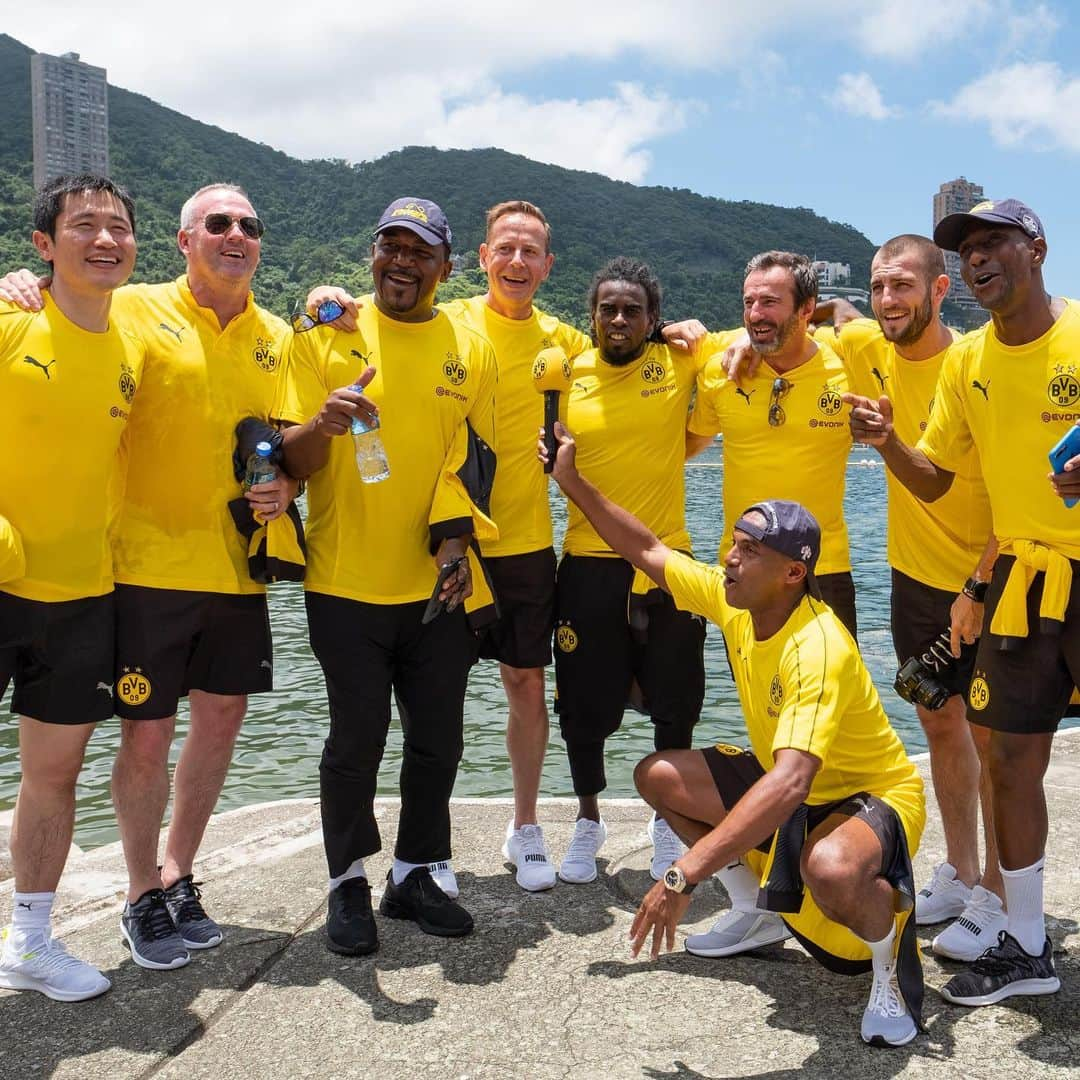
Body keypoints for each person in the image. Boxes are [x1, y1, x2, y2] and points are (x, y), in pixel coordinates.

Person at [303, 203, 705, 893]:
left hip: (523, 543)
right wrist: (321, 300)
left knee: (524, 682)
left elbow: (627, 353)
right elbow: (372, 316)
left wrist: (673, 331)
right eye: (507, 250)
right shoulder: (447, 319)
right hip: (434, 542)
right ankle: (424, 854)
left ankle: (525, 830)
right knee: (437, 699)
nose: (518, 263)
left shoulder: (569, 344)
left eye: (533, 253)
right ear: (482, 258)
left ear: (548, 267)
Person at [542, 426, 926, 1047]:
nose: (730, 558)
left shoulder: (818, 645)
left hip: (869, 796)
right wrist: (571, 483)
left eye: (748, 550)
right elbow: (646, 550)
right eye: (733, 544)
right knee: (659, 777)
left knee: (828, 870)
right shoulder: (737, 602)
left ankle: (889, 970)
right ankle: (755, 914)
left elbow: (792, 781)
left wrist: (683, 875)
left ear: (793, 573)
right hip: (795, 787)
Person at [0, 182, 296, 971]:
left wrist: (290, 484)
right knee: (148, 733)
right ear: (183, 238)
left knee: (223, 718)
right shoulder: (126, 305)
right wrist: (14, 286)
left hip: (235, 568)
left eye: (249, 223)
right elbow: (62, 323)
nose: (237, 234)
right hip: (138, 566)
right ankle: (138, 895)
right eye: (219, 223)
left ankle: (177, 876)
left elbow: (288, 437)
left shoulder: (277, 334)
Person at [845, 198, 1079, 1006]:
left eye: (994, 244)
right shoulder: (966, 361)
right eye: (968, 249)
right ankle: (1026, 943)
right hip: (1018, 582)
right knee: (1010, 762)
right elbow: (937, 475)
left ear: (1038, 249)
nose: (980, 259)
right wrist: (886, 444)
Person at [278, 197, 498, 955]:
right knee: (356, 741)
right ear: (372, 255)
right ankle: (346, 883)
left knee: (437, 742)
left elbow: (471, 459)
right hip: (343, 584)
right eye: (390, 248)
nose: (402, 262)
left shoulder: (470, 346)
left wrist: (453, 544)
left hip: (436, 586)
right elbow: (290, 462)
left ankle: (413, 874)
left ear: (446, 264)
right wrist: (322, 425)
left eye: (420, 251)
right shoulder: (323, 333)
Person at [805, 237, 1003, 961]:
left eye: (904, 287)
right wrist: (700, 335)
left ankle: (1000, 903)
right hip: (913, 575)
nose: (889, 301)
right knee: (940, 725)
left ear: (941, 290)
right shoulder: (868, 344)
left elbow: (1017, 492)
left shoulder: (976, 362)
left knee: (991, 738)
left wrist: (980, 584)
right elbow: (829, 307)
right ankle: (962, 871)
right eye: (880, 287)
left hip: (990, 571)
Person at [0, 174, 144, 1001]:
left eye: (118, 226)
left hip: (84, 594)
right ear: (43, 246)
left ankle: (28, 939)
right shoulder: (13, 317)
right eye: (82, 224)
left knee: (52, 776)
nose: (103, 238)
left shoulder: (131, 346)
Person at [552, 257, 714, 886]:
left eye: (633, 310)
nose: (619, 319)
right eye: (608, 309)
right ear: (592, 316)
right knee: (582, 708)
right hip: (588, 566)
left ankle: (668, 823)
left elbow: (726, 355)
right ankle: (588, 820)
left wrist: (692, 333)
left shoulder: (679, 360)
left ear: (653, 319)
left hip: (667, 563)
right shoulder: (569, 373)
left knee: (677, 703)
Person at [685, 251, 860, 641]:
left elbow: (888, 340)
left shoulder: (849, 366)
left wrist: (842, 305)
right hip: (742, 569)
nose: (756, 313)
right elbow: (684, 445)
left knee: (833, 698)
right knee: (753, 698)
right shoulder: (722, 368)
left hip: (823, 569)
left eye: (770, 302)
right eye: (749, 302)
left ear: (807, 309)